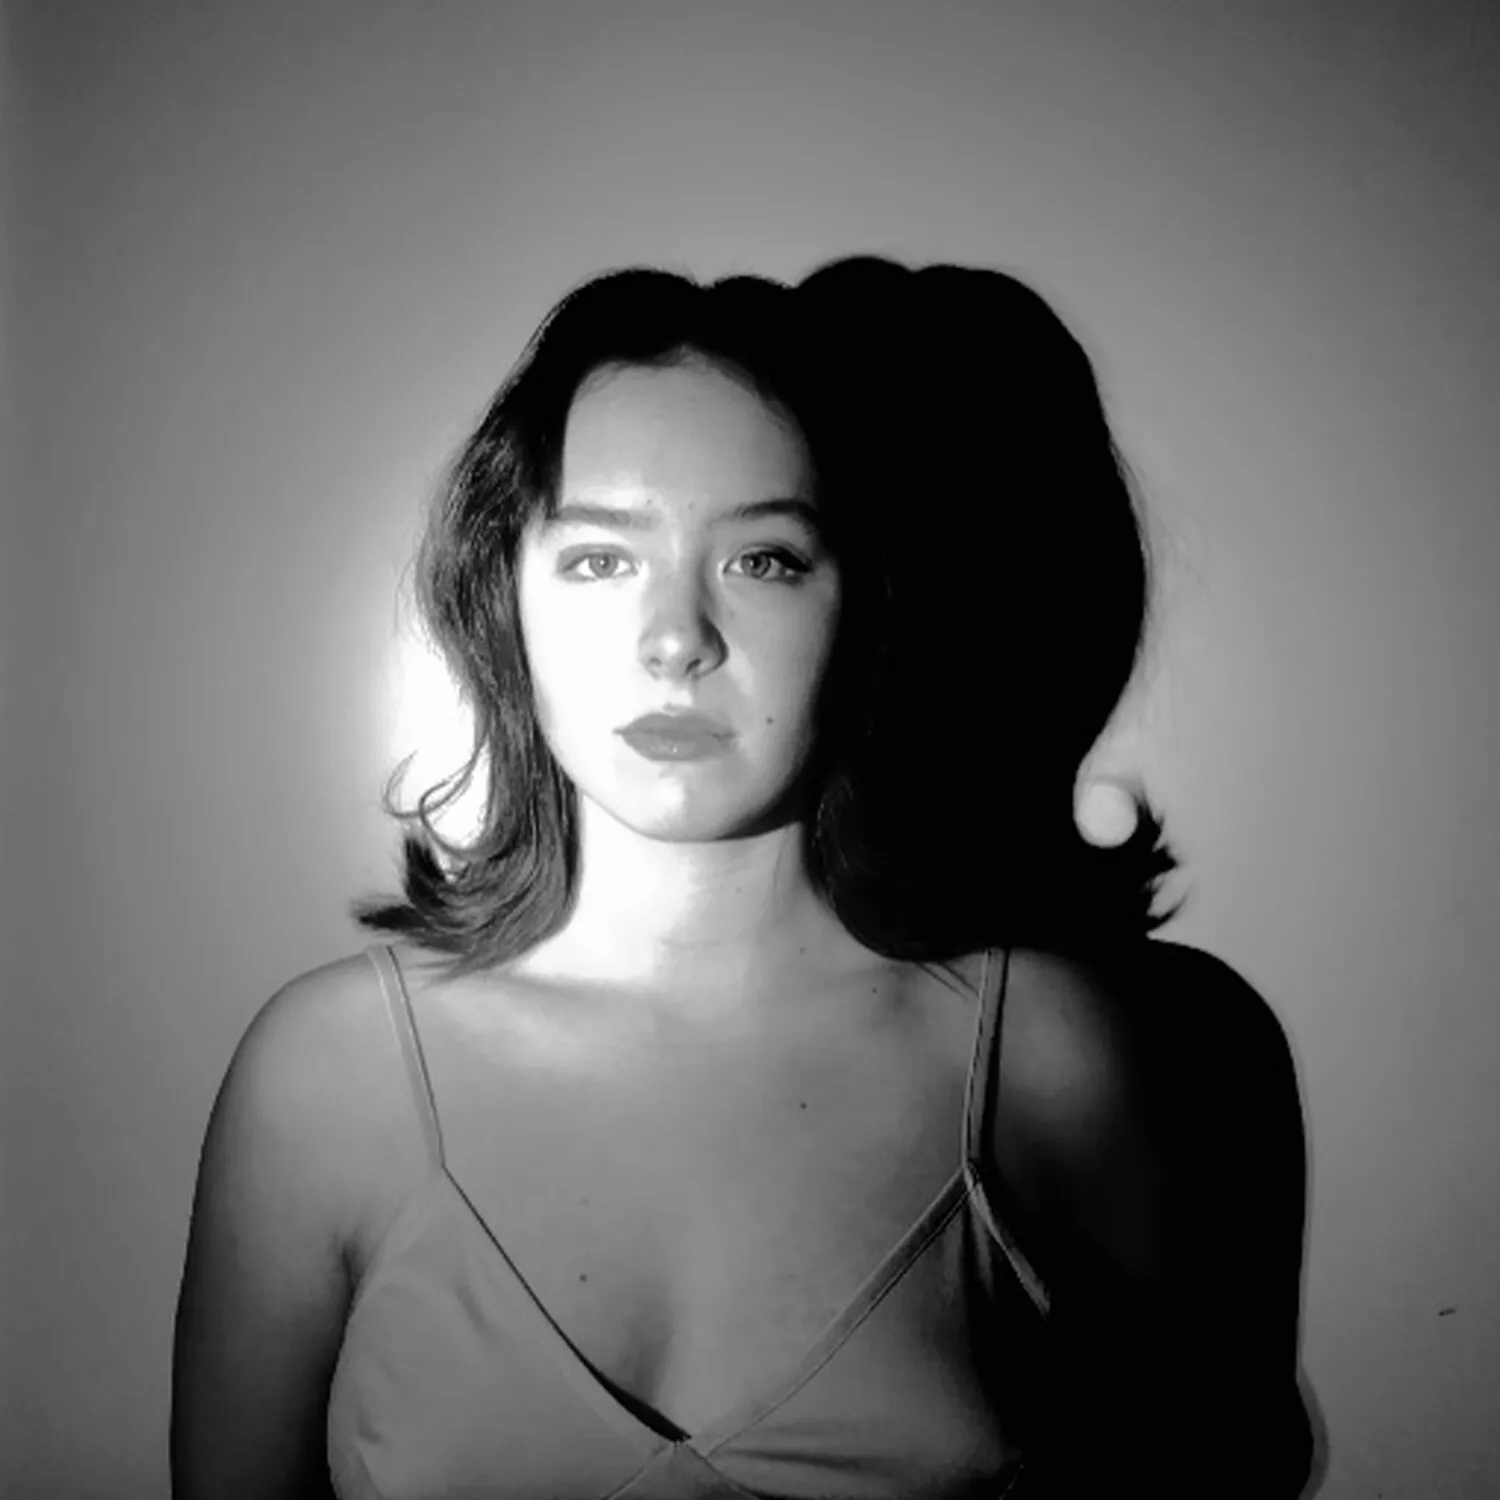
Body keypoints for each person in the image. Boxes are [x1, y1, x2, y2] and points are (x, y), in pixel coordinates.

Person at [170, 259, 1313, 1499]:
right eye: (599, 559)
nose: (675, 640)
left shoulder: (1068, 1062)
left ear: (873, 604)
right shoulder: (326, 1078)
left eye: (764, 559)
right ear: (501, 594)